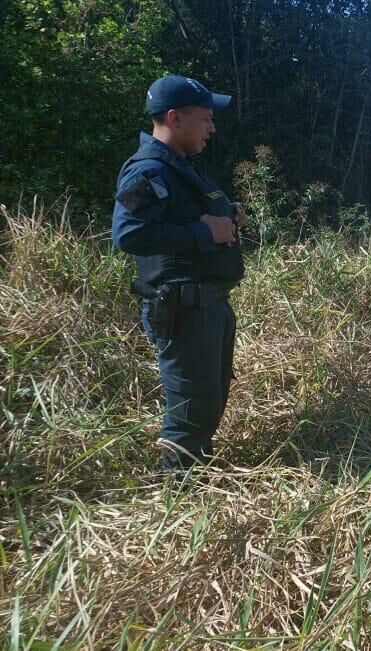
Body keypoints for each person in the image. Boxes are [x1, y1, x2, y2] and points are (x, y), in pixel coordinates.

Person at [112, 75, 245, 471]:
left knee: (208, 400)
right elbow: (128, 233)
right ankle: (179, 497)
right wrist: (204, 231)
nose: (212, 127)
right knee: (189, 413)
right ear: (175, 118)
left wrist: (226, 215)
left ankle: (195, 475)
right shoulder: (148, 170)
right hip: (182, 310)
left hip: (206, 307)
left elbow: (184, 216)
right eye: (205, 118)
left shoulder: (180, 168)